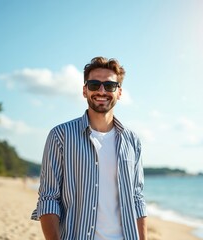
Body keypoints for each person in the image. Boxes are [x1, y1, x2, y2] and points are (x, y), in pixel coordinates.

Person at [31, 56, 147, 240]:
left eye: (109, 86)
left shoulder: (132, 141)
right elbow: (48, 199)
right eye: (94, 84)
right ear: (85, 90)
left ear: (119, 92)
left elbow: (137, 199)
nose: (101, 91)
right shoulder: (60, 135)